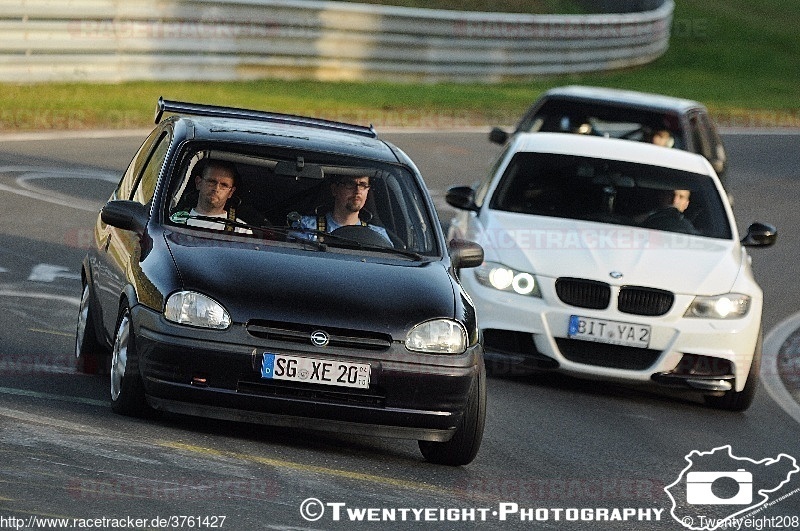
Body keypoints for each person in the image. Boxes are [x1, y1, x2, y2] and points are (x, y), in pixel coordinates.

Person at [294, 174, 390, 243]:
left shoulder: (378, 236)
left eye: (363, 185)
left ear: (367, 191)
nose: (357, 191)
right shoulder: (307, 228)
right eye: (350, 184)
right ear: (334, 190)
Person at [170, 160, 252, 234]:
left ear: (231, 192)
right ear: (198, 183)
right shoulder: (174, 221)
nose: (216, 188)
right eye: (211, 181)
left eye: (224, 185)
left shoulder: (241, 231)